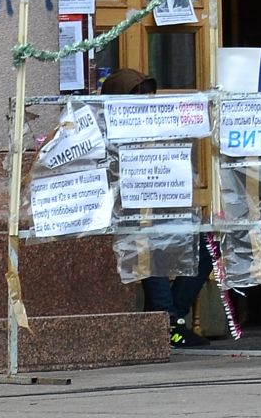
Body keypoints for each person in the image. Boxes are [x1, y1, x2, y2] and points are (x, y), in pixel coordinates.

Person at [101, 66, 213, 350]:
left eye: (151, 99)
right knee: (148, 244)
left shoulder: (161, 126)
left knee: (207, 244)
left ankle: (168, 320)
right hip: (131, 220)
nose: (148, 107)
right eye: (140, 101)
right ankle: (169, 323)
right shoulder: (104, 132)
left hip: (165, 210)